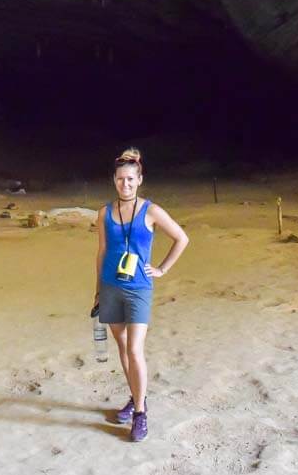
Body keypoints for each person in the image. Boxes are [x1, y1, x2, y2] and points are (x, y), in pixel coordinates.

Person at [93, 148, 189, 442]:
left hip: (138, 290)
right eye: (121, 179)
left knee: (134, 349)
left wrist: (162, 269)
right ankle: (137, 397)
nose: (126, 184)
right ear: (114, 180)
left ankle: (140, 414)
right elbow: (102, 252)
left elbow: (182, 238)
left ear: (140, 179)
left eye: (131, 179)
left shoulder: (152, 211)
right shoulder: (104, 213)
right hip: (110, 286)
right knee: (122, 348)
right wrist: (97, 292)